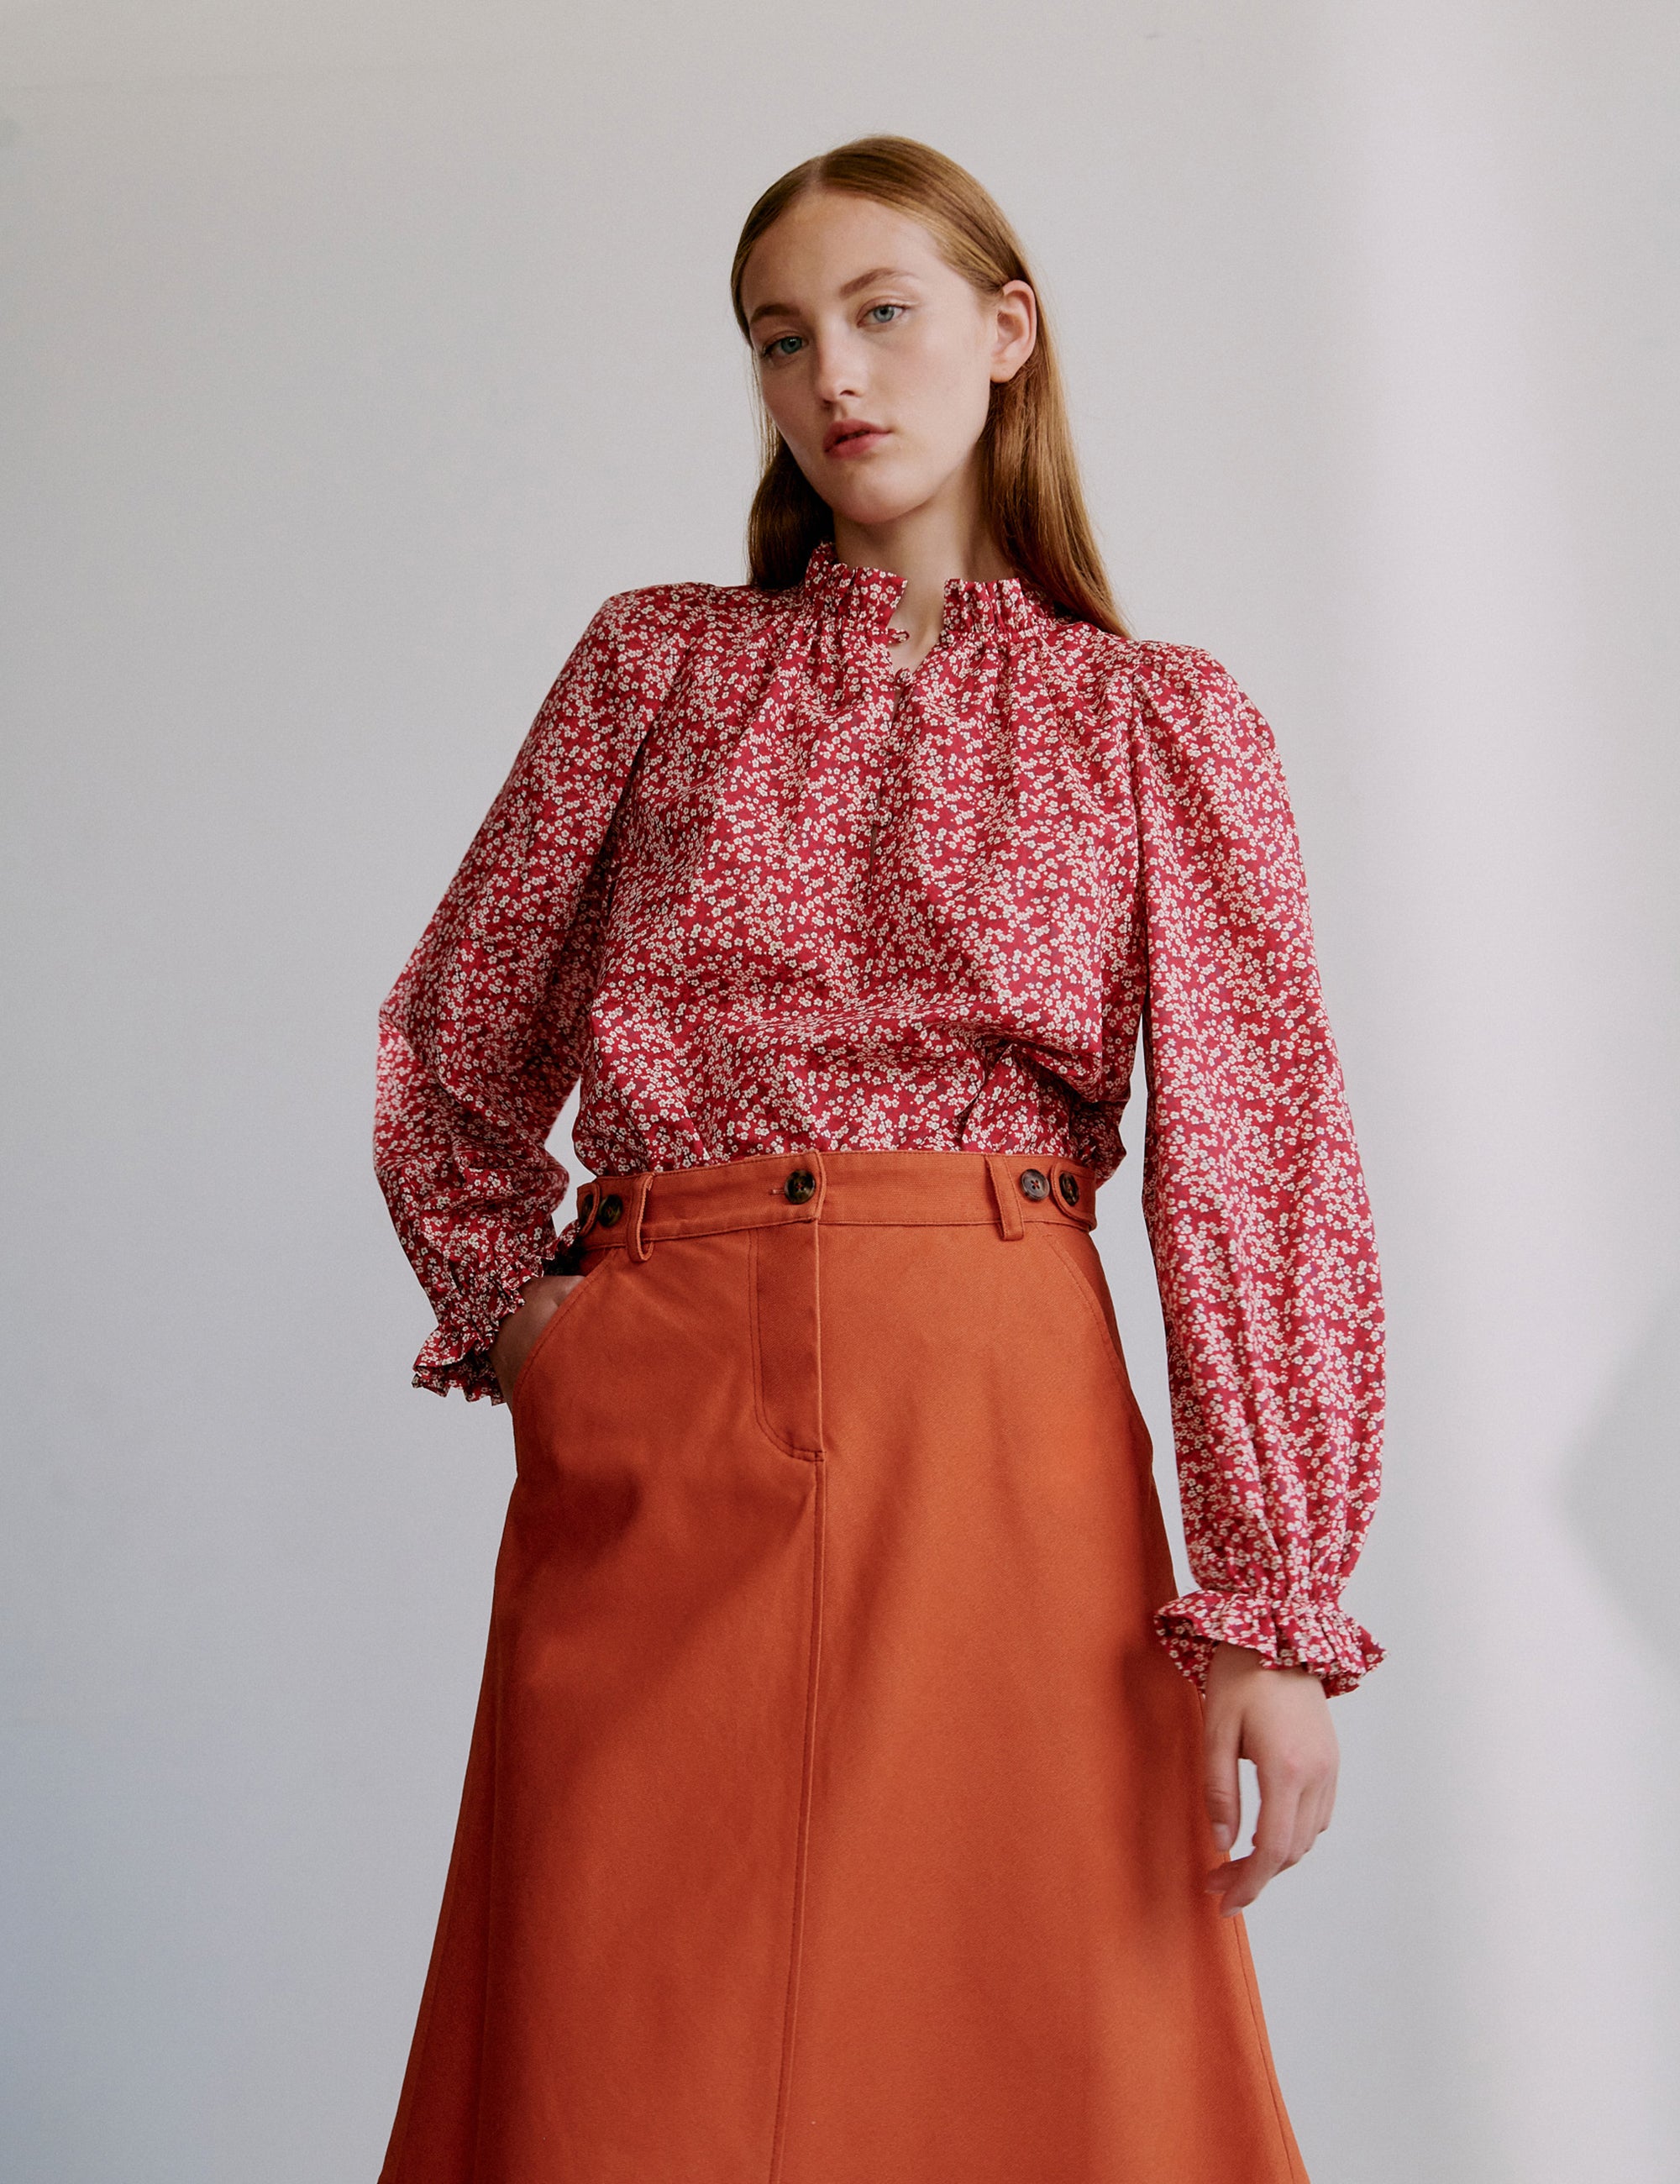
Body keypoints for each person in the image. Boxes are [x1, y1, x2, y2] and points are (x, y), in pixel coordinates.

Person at [371, 134, 1384, 2184]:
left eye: (882, 311)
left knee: (1027, 2022)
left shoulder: (1152, 723)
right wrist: (534, 1324)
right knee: (620, 2032)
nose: (833, 373)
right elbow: (455, 1034)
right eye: (780, 336)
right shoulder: (655, 669)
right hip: (661, 1403)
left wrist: (1269, 1608)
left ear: (1007, 335)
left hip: (993, 1410)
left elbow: (1258, 1155)